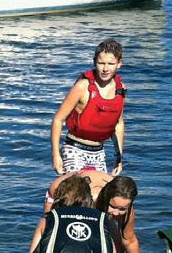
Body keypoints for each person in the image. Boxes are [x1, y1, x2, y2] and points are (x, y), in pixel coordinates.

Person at [51, 39, 126, 176]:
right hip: (75, 149)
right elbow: (58, 119)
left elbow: (118, 124)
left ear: (119, 64)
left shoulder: (120, 89)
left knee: (101, 189)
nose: (105, 69)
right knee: (78, 188)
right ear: (94, 62)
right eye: (101, 63)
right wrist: (56, 155)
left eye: (111, 64)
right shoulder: (82, 87)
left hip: (99, 152)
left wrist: (118, 157)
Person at [96, 174, 142, 253]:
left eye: (122, 209)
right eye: (112, 206)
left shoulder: (126, 205)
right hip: (86, 186)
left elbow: (129, 241)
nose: (116, 213)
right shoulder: (92, 199)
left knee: (117, 244)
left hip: (104, 182)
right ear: (106, 198)